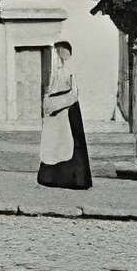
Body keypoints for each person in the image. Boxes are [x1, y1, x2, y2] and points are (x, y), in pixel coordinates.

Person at [36, 39, 92, 191]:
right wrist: (48, 104)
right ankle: (52, 178)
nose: (61, 54)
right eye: (58, 51)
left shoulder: (72, 70)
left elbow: (74, 93)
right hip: (55, 113)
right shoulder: (56, 71)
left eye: (63, 51)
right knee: (53, 143)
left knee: (71, 144)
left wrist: (58, 104)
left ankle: (75, 180)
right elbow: (50, 90)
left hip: (68, 110)